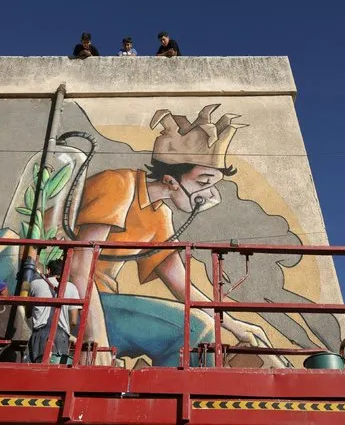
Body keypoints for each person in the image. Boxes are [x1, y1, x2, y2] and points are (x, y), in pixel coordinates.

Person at [70, 105, 285, 368]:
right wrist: (95, 338)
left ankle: (148, 384)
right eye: (203, 183)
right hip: (74, 301)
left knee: (201, 331)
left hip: (103, 303)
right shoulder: (119, 184)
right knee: (195, 330)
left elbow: (183, 288)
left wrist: (234, 325)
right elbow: (79, 269)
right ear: (171, 180)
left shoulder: (160, 216)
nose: (208, 195)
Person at [26, 259, 80, 363]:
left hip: (39, 335)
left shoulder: (35, 284)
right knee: (58, 371)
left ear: (49, 270)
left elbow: (28, 313)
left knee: (37, 370)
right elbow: (74, 321)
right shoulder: (71, 287)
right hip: (61, 335)